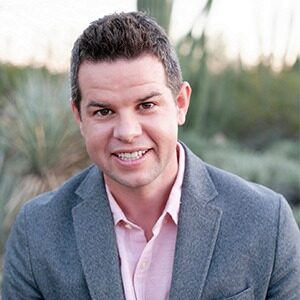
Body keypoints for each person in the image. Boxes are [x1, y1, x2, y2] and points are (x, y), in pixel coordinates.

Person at [2, 11, 300, 300]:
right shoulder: (37, 231)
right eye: (104, 111)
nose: (127, 132)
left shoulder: (266, 223)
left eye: (146, 105)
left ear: (180, 103)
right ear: (79, 117)